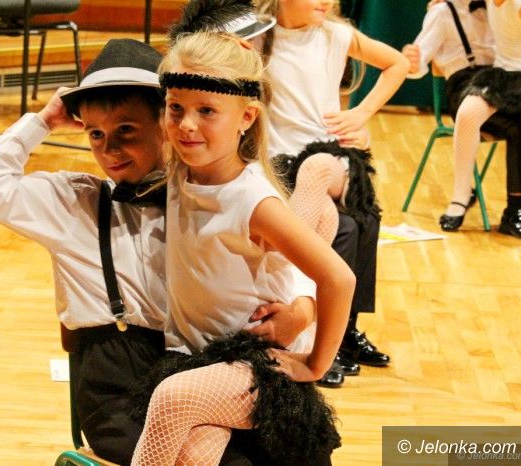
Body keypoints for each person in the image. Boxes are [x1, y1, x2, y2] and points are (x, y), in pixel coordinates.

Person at [0, 38, 313, 465]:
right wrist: (45, 120)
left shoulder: (210, 191)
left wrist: (303, 308)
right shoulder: (74, 202)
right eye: (96, 134)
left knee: (295, 451)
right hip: (116, 383)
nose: (109, 150)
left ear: (167, 122)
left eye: (126, 130)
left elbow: (289, 257)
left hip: (204, 364)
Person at [130, 30, 355, 466]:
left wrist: (315, 364)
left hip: (254, 364)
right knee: (193, 455)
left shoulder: (253, 201)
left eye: (207, 111)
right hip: (196, 359)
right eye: (176, 108)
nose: (186, 124)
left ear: (246, 117)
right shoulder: (180, 167)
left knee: (172, 399)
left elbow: (339, 278)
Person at [253, 0, 409, 380]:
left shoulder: (337, 35)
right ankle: (331, 335)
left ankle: (292, 290)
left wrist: (361, 114)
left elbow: (398, 64)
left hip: (332, 159)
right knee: (335, 220)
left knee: (316, 169)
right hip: (280, 165)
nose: (327, 1)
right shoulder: (257, 36)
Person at [403, 0, 521, 241]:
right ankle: (461, 196)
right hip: (491, 79)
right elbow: (417, 60)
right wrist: (411, 61)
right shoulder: (446, 10)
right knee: (469, 113)